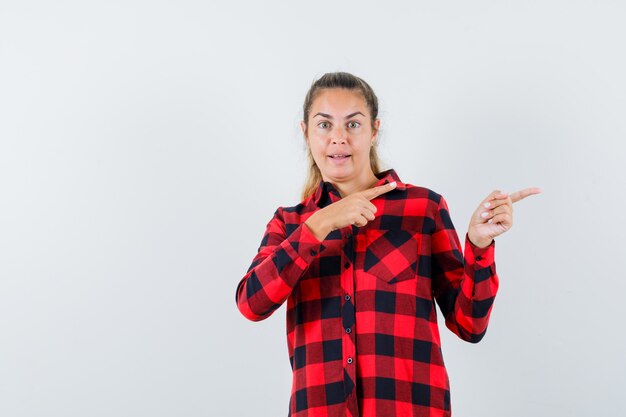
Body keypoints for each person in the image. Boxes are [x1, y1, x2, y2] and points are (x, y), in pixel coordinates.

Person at [234, 71, 541, 417]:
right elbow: (251, 304)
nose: (338, 139)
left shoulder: (423, 210)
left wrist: (478, 245)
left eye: (353, 125)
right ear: (305, 132)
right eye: (324, 125)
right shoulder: (289, 223)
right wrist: (319, 224)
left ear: (374, 130)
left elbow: (470, 325)